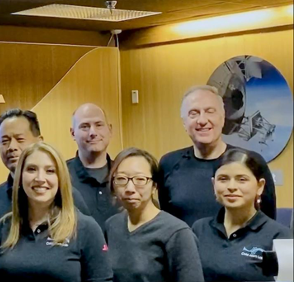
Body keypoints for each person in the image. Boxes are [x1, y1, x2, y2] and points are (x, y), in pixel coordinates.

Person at [0, 142, 111, 281]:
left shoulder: (86, 229)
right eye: (31, 169)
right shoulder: (1, 230)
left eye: (50, 171)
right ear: (20, 178)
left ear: (61, 179)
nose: (40, 179)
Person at [160, 85, 276, 226]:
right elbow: (165, 224)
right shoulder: (169, 164)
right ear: (184, 123)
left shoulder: (252, 162)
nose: (202, 120)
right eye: (194, 113)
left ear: (222, 118)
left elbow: (269, 226)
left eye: (210, 111)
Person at [192, 148, 293, 281]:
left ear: (260, 186)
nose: (231, 186)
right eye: (223, 179)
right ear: (213, 184)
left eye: (242, 179)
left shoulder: (281, 236)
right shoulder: (200, 229)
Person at [104, 148, 203, 282]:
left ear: (154, 186)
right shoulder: (111, 225)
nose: (130, 189)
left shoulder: (177, 233)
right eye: (121, 179)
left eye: (140, 179)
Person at [0, 109, 90, 228]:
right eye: (4, 141)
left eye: (19, 139)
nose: (11, 147)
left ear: (39, 141)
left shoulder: (67, 195)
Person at [67, 103, 120, 230]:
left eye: (99, 125)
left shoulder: (125, 175)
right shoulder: (59, 175)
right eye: (85, 127)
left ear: (110, 130)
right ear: (73, 133)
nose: (93, 132)